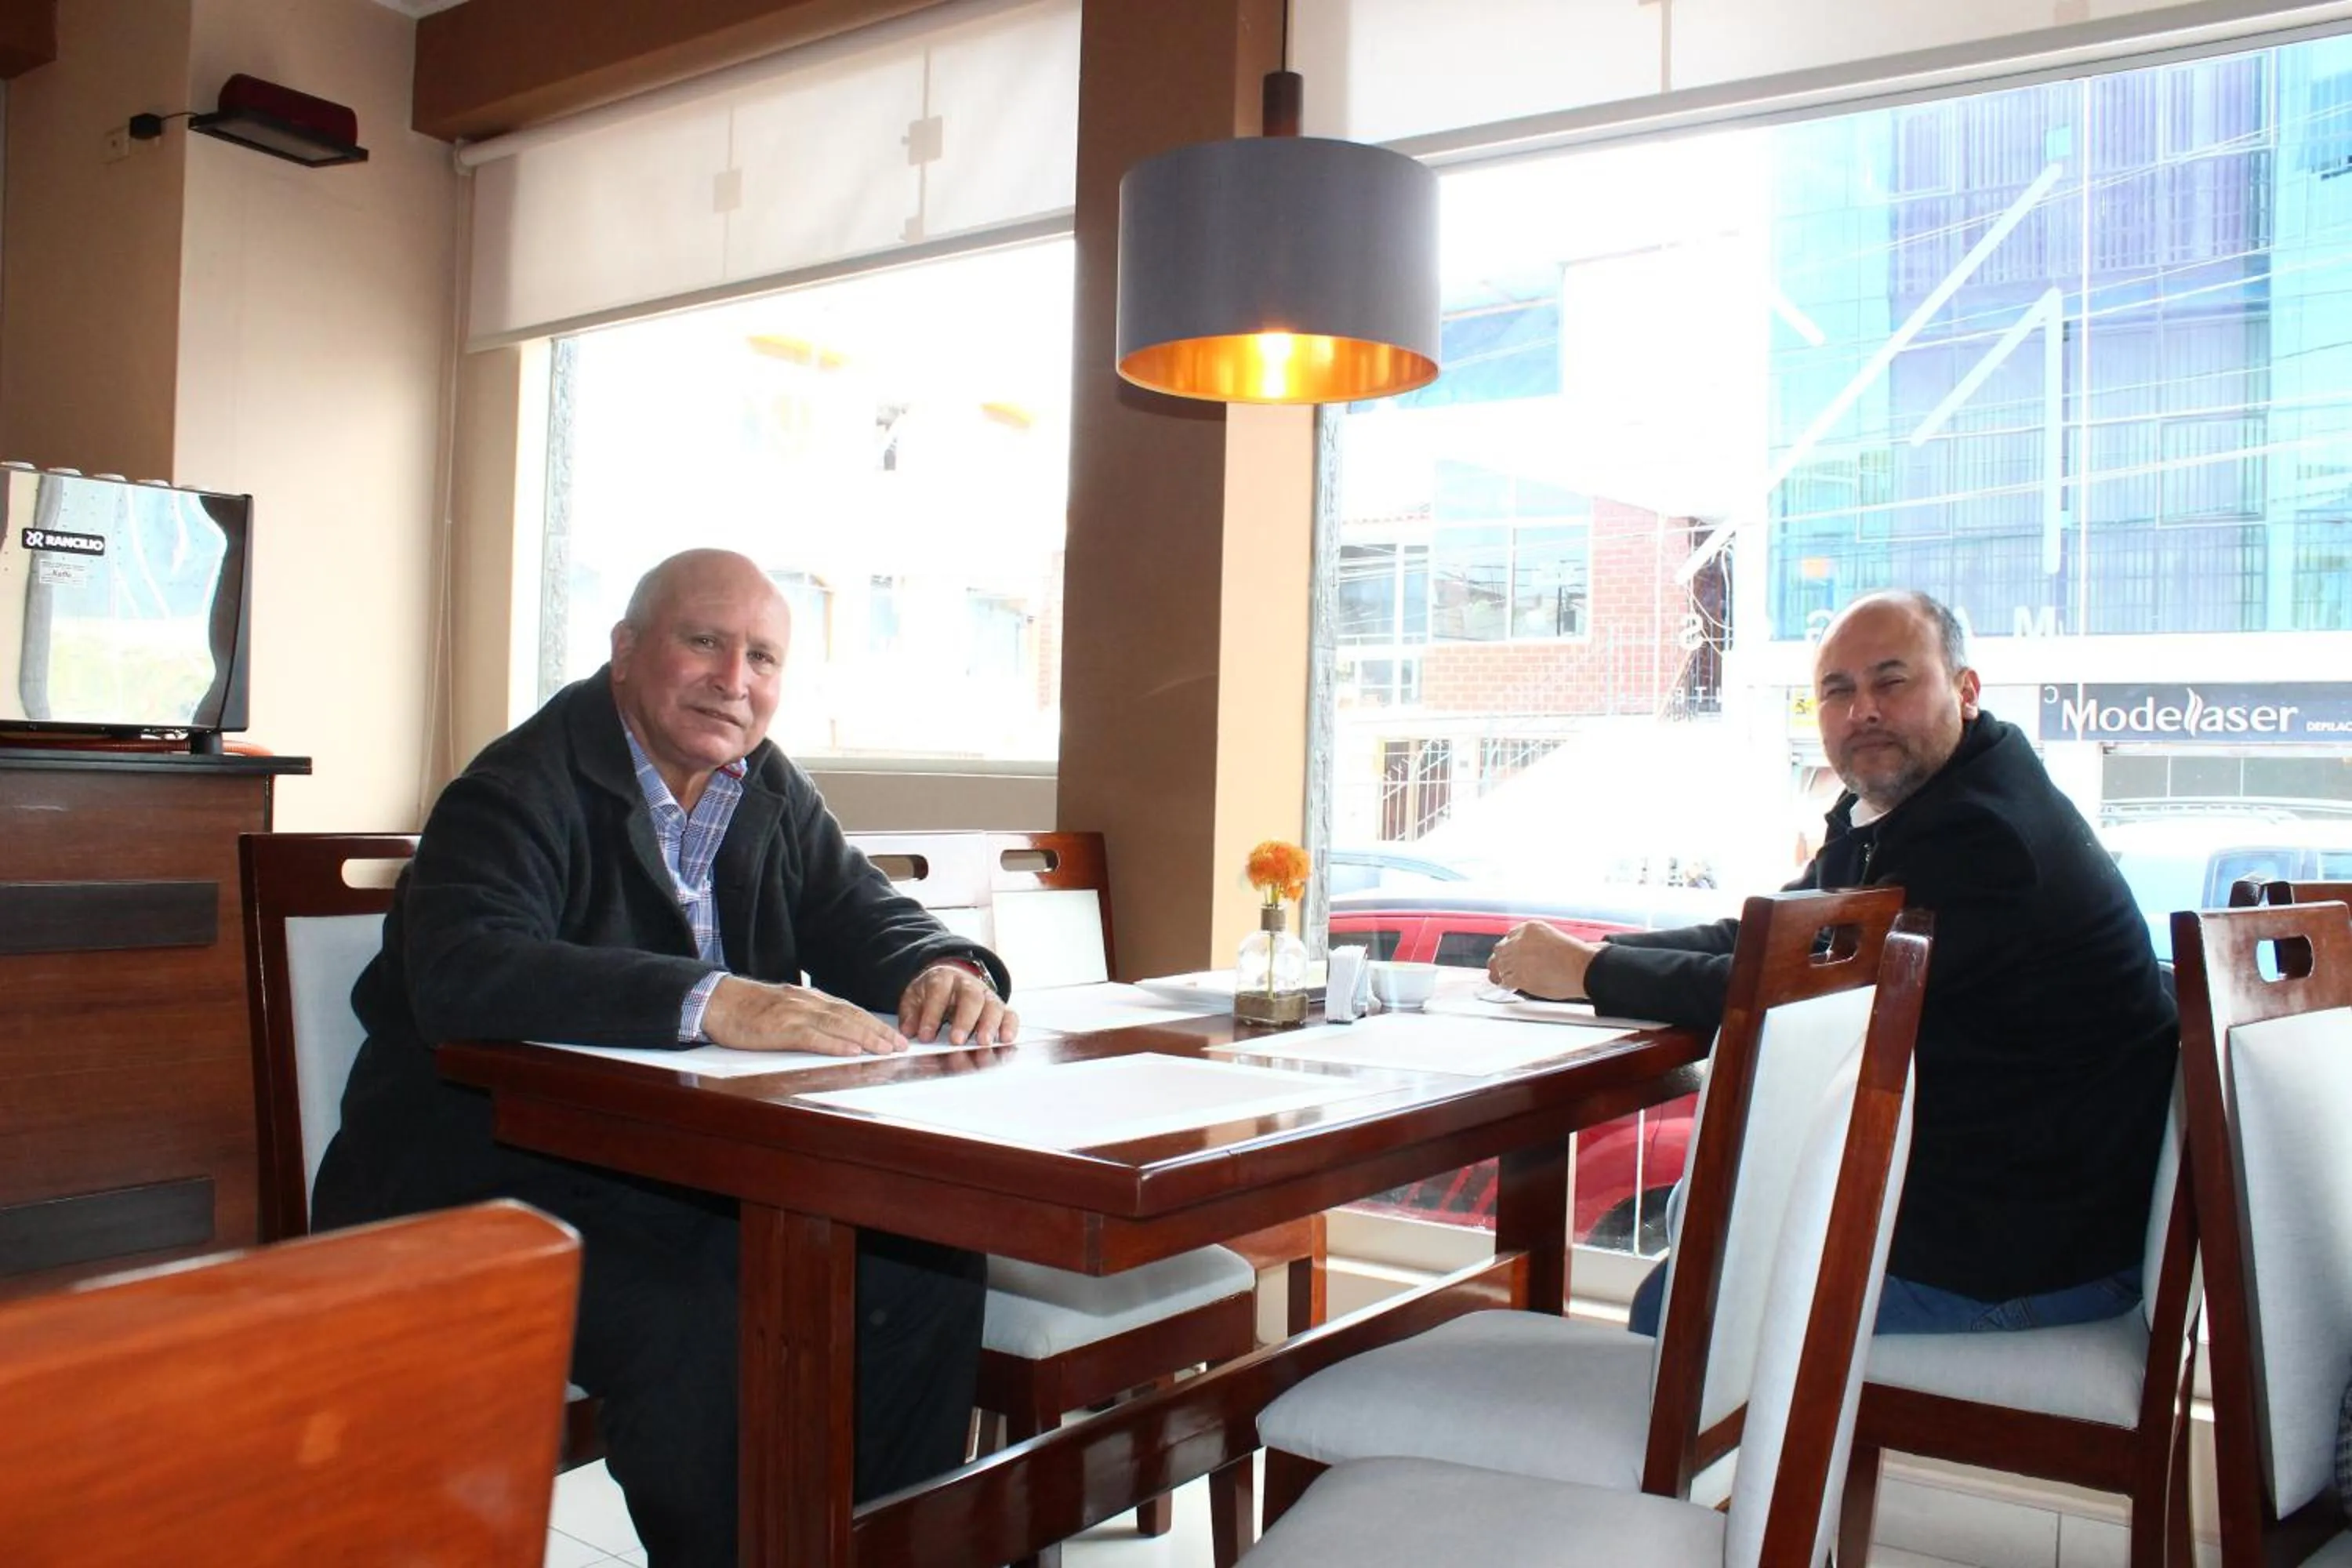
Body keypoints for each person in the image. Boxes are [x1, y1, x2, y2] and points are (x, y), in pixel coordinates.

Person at [312, 548, 1018, 1566]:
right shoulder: (515, 784)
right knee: (699, 1321)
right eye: (704, 642)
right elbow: (464, 971)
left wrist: (944, 964)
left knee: (925, 1264)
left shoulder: (764, 784)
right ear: (627, 651)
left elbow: (862, 911)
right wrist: (714, 999)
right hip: (487, 1180)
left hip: (679, 1171)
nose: (734, 679)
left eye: (762, 657)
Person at [1488, 590, 2176, 1336]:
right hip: (2008, 1224)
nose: (1863, 711)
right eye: (1837, 691)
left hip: (2027, 1260)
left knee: (1679, 1308)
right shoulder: (1921, 807)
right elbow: (1775, 938)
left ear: (1966, 690)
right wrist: (1597, 956)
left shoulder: (1984, 838)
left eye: (1892, 681)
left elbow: (1808, 994)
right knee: (1702, 1249)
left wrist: (1590, 975)